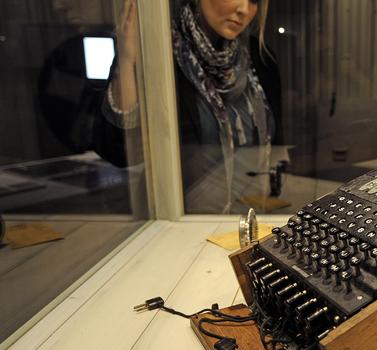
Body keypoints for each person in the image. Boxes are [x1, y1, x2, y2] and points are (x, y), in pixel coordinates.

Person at [96, 0, 282, 214]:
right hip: (181, 221)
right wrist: (127, 60)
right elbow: (119, 151)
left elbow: (277, 148)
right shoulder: (161, 55)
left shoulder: (260, 59)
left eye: (254, 1)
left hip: (248, 215)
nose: (244, 10)